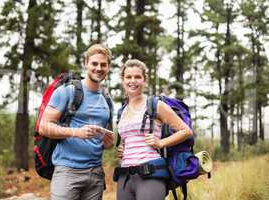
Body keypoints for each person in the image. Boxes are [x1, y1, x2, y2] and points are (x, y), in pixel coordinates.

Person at [39, 43, 114, 200]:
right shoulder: (67, 91)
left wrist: (108, 143)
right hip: (67, 172)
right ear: (86, 63)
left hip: (96, 175)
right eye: (94, 63)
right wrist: (75, 132)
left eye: (103, 64)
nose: (98, 68)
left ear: (108, 67)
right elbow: (44, 127)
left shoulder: (107, 100)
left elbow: (106, 141)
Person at [116, 59, 193, 200]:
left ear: (145, 80)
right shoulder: (122, 111)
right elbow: (130, 138)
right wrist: (123, 148)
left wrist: (161, 142)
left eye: (138, 77)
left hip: (151, 174)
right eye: (128, 77)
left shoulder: (155, 105)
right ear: (123, 80)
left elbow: (186, 131)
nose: (133, 81)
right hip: (125, 177)